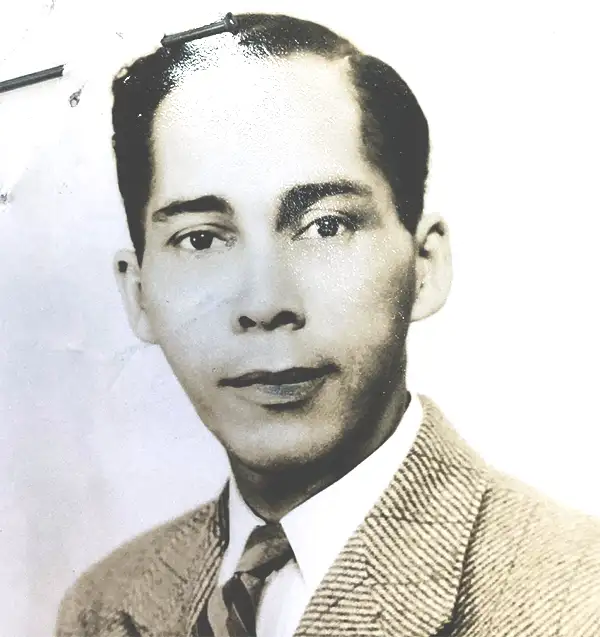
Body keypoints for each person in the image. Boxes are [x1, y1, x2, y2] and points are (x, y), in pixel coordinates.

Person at [55, 12, 600, 637]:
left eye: (327, 226)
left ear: (425, 266)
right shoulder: (104, 604)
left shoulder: (576, 601)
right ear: (139, 292)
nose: (264, 303)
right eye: (201, 238)